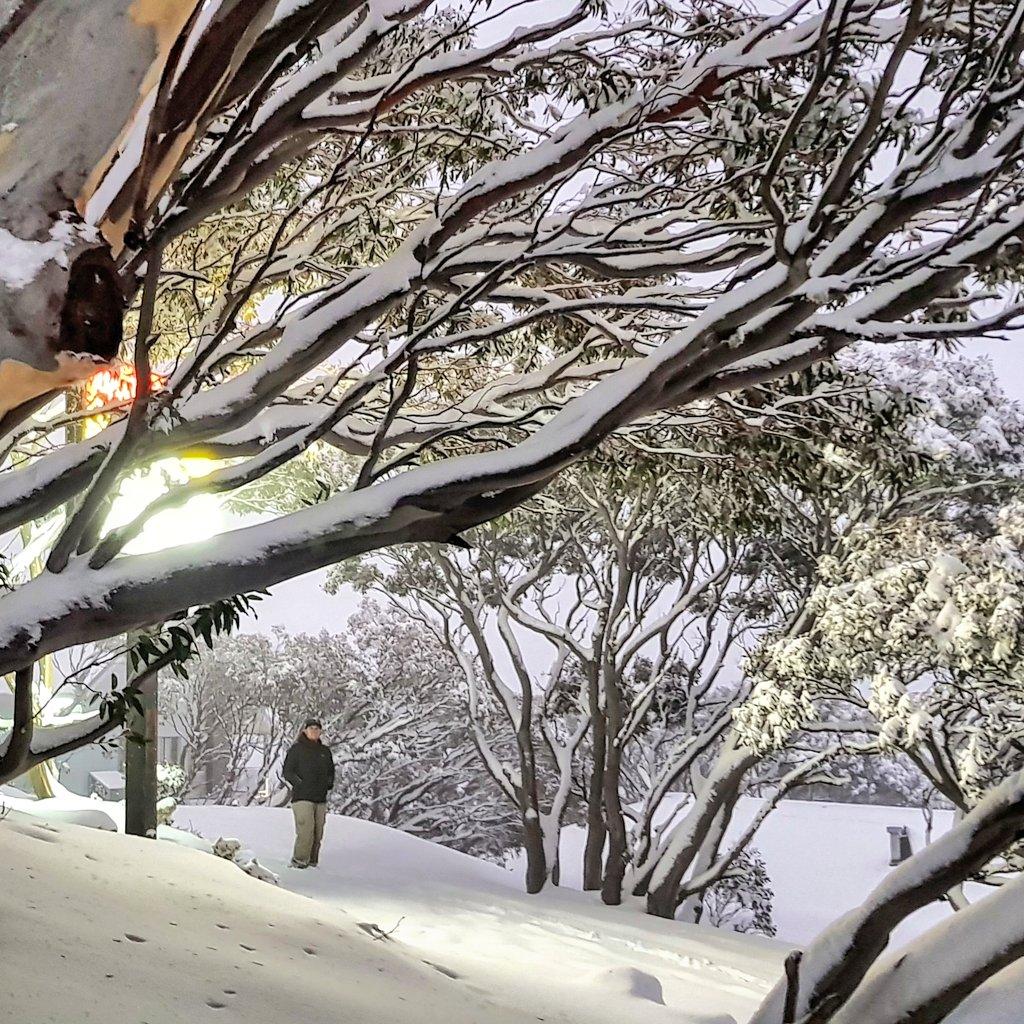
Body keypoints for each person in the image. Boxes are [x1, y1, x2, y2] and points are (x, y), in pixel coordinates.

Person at [281, 717, 335, 868]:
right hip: (302, 797)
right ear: (305, 730)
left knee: (318, 832)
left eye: (317, 729)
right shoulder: (297, 750)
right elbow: (288, 771)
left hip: (320, 798)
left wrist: (328, 784)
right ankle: (299, 862)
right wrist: (300, 784)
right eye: (311, 728)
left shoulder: (324, 752)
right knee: (306, 831)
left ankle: (312, 862)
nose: (314, 731)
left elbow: (331, 771)